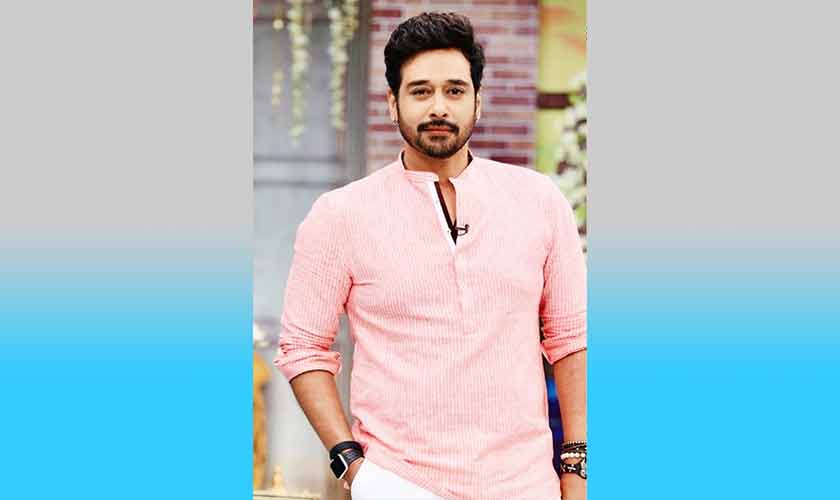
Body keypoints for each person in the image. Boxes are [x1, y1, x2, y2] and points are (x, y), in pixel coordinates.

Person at [274, 12, 587, 500]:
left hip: (524, 486)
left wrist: (577, 468)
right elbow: (302, 348)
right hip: (398, 484)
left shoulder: (539, 201)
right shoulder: (340, 216)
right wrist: (352, 465)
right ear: (392, 102)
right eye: (420, 91)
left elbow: (572, 340)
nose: (438, 106)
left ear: (477, 101)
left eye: (454, 90)